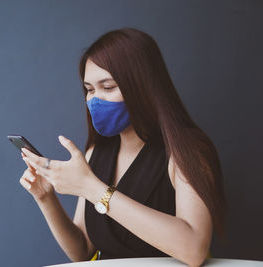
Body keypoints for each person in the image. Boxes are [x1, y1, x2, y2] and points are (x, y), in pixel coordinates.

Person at [19, 27, 226, 267]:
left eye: (107, 87)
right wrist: (46, 198)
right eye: (89, 90)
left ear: (143, 85)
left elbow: (193, 249)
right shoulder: (96, 153)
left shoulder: (187, 150)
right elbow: (83, 252)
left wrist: (92, 188)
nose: (95, 100)